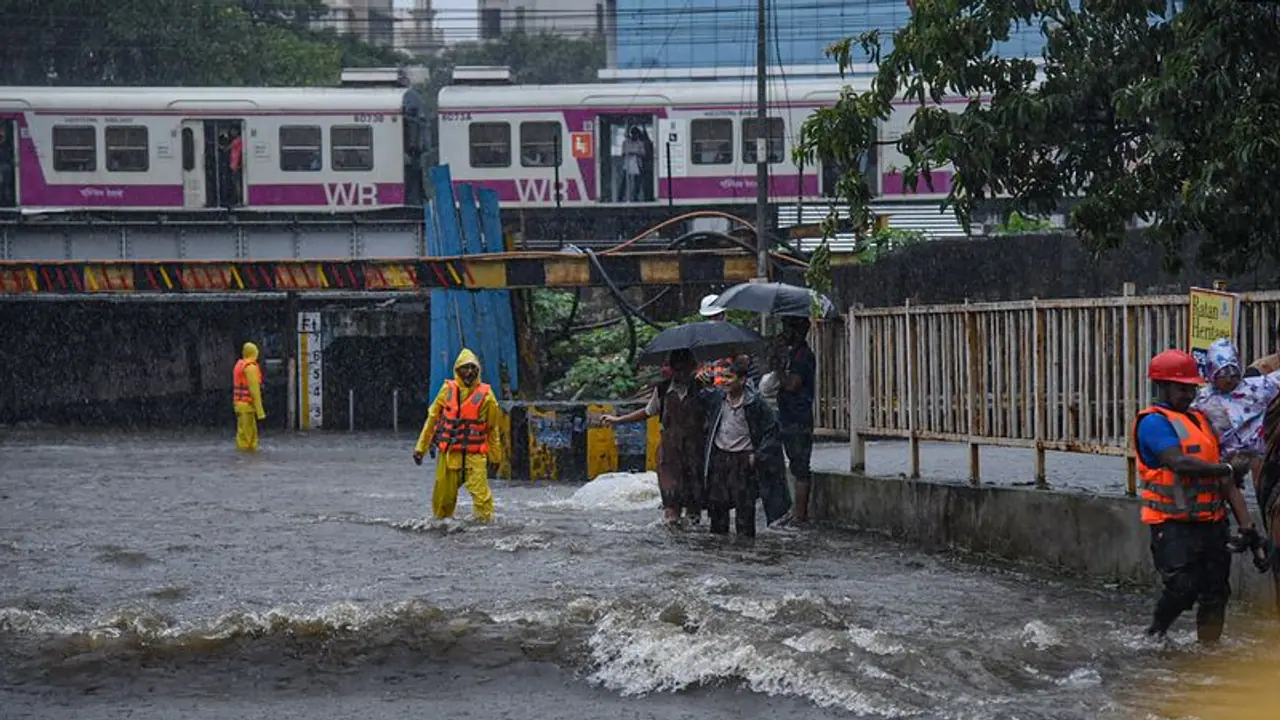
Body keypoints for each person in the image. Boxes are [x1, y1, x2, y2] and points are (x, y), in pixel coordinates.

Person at [1134, 348, 1265, 643]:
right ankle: (1153, 636)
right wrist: (1225, 467)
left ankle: (1209, 650)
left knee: (1216, 592)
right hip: (1173, 525)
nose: (1189, 395)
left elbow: (1227, 483)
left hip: (1212, 523)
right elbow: (1178, 462)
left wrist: (1249, 530)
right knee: (1183, 587)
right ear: (1162, 386)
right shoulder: (1154, 422)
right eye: (1182, 389)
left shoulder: (1202, 421)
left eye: (1192, 388)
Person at [601, 349, 707, 525]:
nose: (681, 374)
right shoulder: (663, 389)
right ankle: (672, 531)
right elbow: (647, 411)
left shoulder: (702, 389)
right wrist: (618, 420)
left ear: (692, 368)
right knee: (670, 499)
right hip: (669, 452)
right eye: (677, 369)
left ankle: (691, 534)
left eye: (684, 369)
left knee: (693, 503)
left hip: (695, 450)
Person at [413, 349, 502, 522]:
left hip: (475, 457)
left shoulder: (487, 396)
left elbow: (492, 429)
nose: (469, 372)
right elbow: (432, 420)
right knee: (442, 501)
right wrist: (420, 448)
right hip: (448, 455)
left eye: (473, 368)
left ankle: (485, 529)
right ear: (457, 370)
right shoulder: (447, 390)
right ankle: (441, 528)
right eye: (465, 368)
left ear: (478, 371)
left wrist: (495, 457)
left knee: (482, 500)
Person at [702, 355, 783, 538]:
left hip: (744, 459)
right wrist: (701, 381)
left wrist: (757, 456)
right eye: (722, 377)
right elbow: (699, 399)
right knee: (717, 506)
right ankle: (718, 547)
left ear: (743, 380)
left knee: (744, 508)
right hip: (720, 457)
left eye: (729, 377)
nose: (724, 381)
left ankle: (745, 547)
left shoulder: (755, 403)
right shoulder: (717, 398)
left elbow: (772, 431)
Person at [1193, 338, 1280, 499]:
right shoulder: (1203, 400)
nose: (1229, 379)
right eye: (1222, 373)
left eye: (1233, 372)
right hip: (1224, 465)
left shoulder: (1256, 387)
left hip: (1258, 461)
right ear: (1211, 372)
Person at [776, 316, 816, 523]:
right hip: (789, 415)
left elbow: (792, 385)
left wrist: (778, 371)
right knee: (794, 464)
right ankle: (795, 512)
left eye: (787, 328)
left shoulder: (802, 356)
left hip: (798, 417)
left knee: (800, 466)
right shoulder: (794, 354)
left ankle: (800, 515)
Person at [233, 341, 266, 452]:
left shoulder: (240, 365)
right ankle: (246, 457)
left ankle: (248, 456)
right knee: (247, 436)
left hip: (240, 405)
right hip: (247, 405)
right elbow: (254, 390)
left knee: (247, 434)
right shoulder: (250, 368)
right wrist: (260, 411)